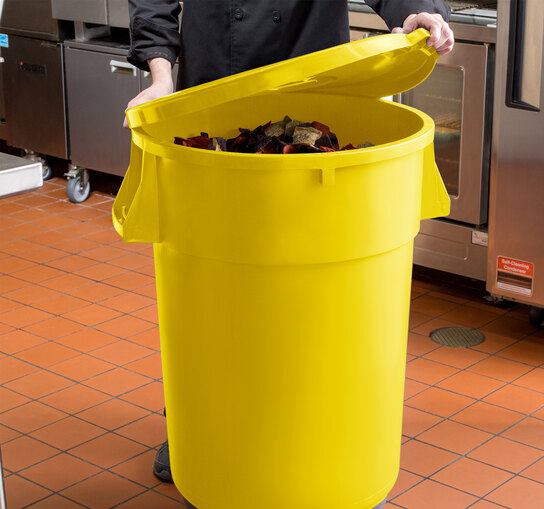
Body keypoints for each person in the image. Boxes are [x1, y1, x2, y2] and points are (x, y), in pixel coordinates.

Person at [124, 0, 454, 481]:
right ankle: (199, 430)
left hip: (312, 94)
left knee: (304, 300)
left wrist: (419, 10)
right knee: (213, 290)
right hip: (213, 98)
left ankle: (312, 431)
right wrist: (160, 77)